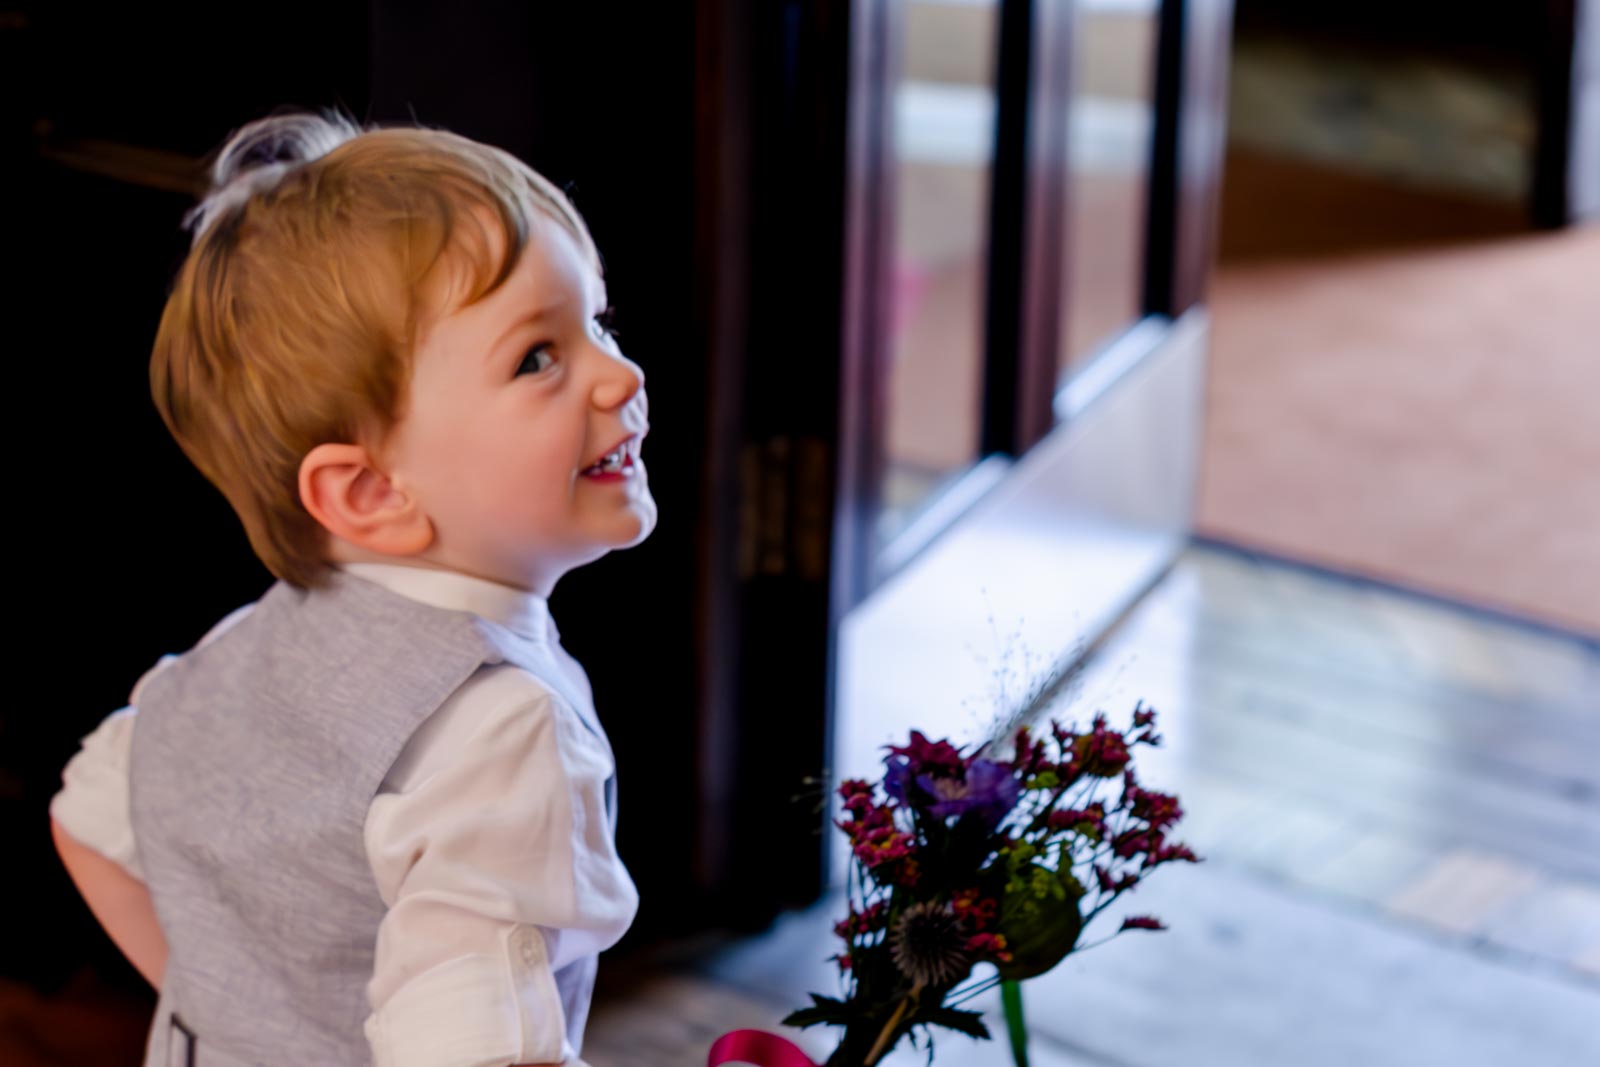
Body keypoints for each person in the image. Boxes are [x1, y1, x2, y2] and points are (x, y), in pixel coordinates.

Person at [48, 105, 656, 1067]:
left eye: (597, 322)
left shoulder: (257, 640)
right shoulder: (504, 733)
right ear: (371, 491)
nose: (618, 376)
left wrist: (241, 1021)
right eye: (537, 357)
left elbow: (87, 818)